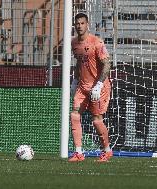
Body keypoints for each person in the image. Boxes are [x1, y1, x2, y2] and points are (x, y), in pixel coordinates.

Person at [68, 13, 112, 162]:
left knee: (96, 120)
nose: (79, 26)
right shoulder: (74, 43)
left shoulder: (97, 42)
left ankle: (107, 151)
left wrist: (99, 85)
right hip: (82, 86)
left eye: (82, 23)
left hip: (99, 86)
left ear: (87, 25)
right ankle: (79, 153)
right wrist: (75, 81)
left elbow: (107, 64)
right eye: (77, 24)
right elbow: (79, 62)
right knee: (74, 115)